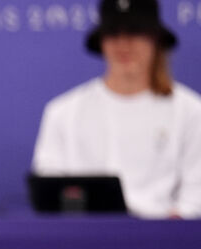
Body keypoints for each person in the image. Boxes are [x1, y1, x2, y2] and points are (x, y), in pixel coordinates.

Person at [32, 0, 201, 218]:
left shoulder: (190, 111)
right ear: (101, 41)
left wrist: (165, 229)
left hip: (161, 243)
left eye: (135, 32)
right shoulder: (63, 112)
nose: (123, 44)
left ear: (155, 40)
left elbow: (195, 198)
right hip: (83, 241)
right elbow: (50, 189)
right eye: (113, 33)